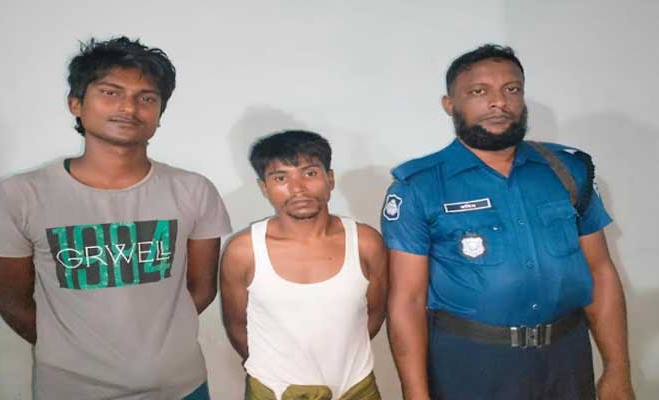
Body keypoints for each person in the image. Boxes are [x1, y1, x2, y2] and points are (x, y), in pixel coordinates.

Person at [0, 37, 231, 399]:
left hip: (183, 387)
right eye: (110, 92)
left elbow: (202, 289)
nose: (129, 107)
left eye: (147, 98)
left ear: (159, 114)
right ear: (76, 103)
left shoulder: (194, 190)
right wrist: (76, 353)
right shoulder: (15, 197)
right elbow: (13, 304)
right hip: (72, 391)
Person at [382, 44, 634, 400]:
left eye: (511, 89)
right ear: (449, 104)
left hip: (566, 357)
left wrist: (617, 370)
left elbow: (600, 271)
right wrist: (415, 393)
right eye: (478, 92)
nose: (499, 102)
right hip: (472, 364)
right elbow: (407, 300)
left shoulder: (567, 170)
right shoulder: (419, 187)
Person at [220, 130, 388, 400]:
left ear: (330, 179)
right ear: (264, 188)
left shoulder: (366, 242)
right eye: (280, 178)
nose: (297, 188)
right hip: (273, 391)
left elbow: (375, 313)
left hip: (356, 388)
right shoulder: (243, 251)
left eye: (309, 173)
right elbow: (238, 326)